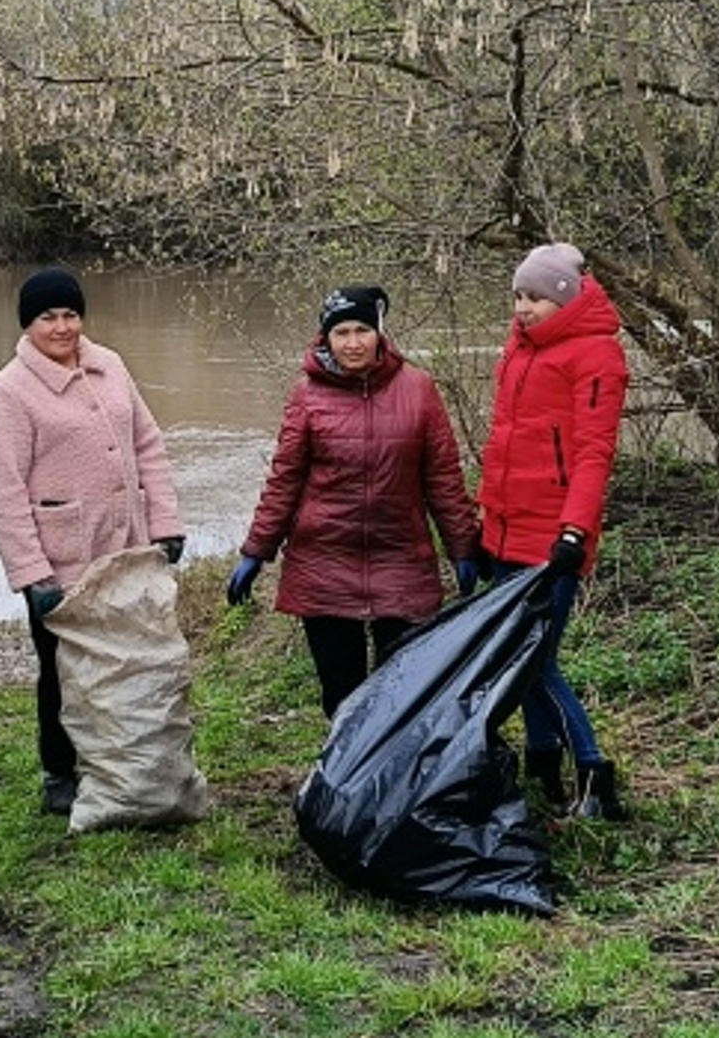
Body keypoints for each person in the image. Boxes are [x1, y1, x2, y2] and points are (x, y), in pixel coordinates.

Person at [0, 268, 187, 816]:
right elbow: (4, 491)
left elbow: (148, 444)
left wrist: (165, 522)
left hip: (127, 550)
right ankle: (58, 771)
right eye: (48, 317)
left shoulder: (110, 365)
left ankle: (122, 762)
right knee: (62, 671)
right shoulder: (8, 393)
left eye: (70, 315)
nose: (62, 327)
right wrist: (32, 575)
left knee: (129, 662)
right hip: (62, 561)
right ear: (27, 325)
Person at [225, 285, 483, 718]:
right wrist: (256, 550)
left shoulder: (419, 389)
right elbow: (285, 481)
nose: (352, 343)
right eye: (341, 332)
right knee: (341, 696)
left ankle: (392, 762)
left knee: (400, 692)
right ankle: (347, 760)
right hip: (324, 562)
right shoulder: (307, 395)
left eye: (362, 330)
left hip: (401, 559)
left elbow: (442, 478)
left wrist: (463, 547)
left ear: (379, 332)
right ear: (325, 338)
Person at [476, 243, 630, 821]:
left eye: (536, 297)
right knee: (522, 657)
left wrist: (574, 532)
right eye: (518, 295)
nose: (523, 307)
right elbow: (504, 442)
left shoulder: (597, 356)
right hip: (506, 530)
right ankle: (543, 764)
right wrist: (486, 523)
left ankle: (594, 777)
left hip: (552, 537)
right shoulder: (520, 347)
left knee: (533, 659)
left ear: (564, 299)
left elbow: (593, 453)